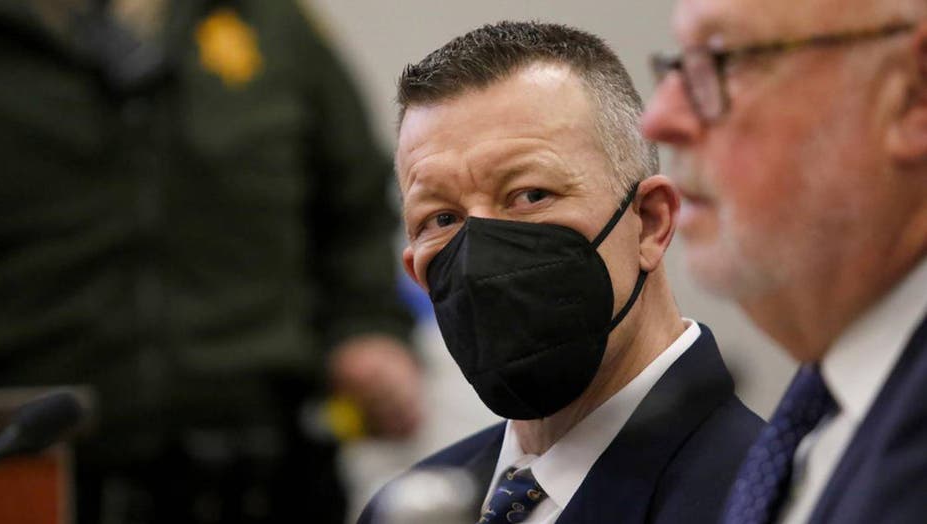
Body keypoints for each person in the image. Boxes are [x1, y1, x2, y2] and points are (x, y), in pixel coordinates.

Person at [0, 1, 420, 523]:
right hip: (36, 472)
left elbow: (356, 205)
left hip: (266, 468)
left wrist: (367, 330)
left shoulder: (271, 22)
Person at [358, 21, 764, 524]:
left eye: (530, 195)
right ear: (416, 272)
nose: (480, 257)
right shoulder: (406, 509)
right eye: (441, 219)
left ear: (649, 222)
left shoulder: (766, 499)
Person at [642, 0, 927, 523]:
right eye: (680, 63)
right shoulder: (827, 407)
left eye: (724, 59)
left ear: (915, 94)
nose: (659, 119)